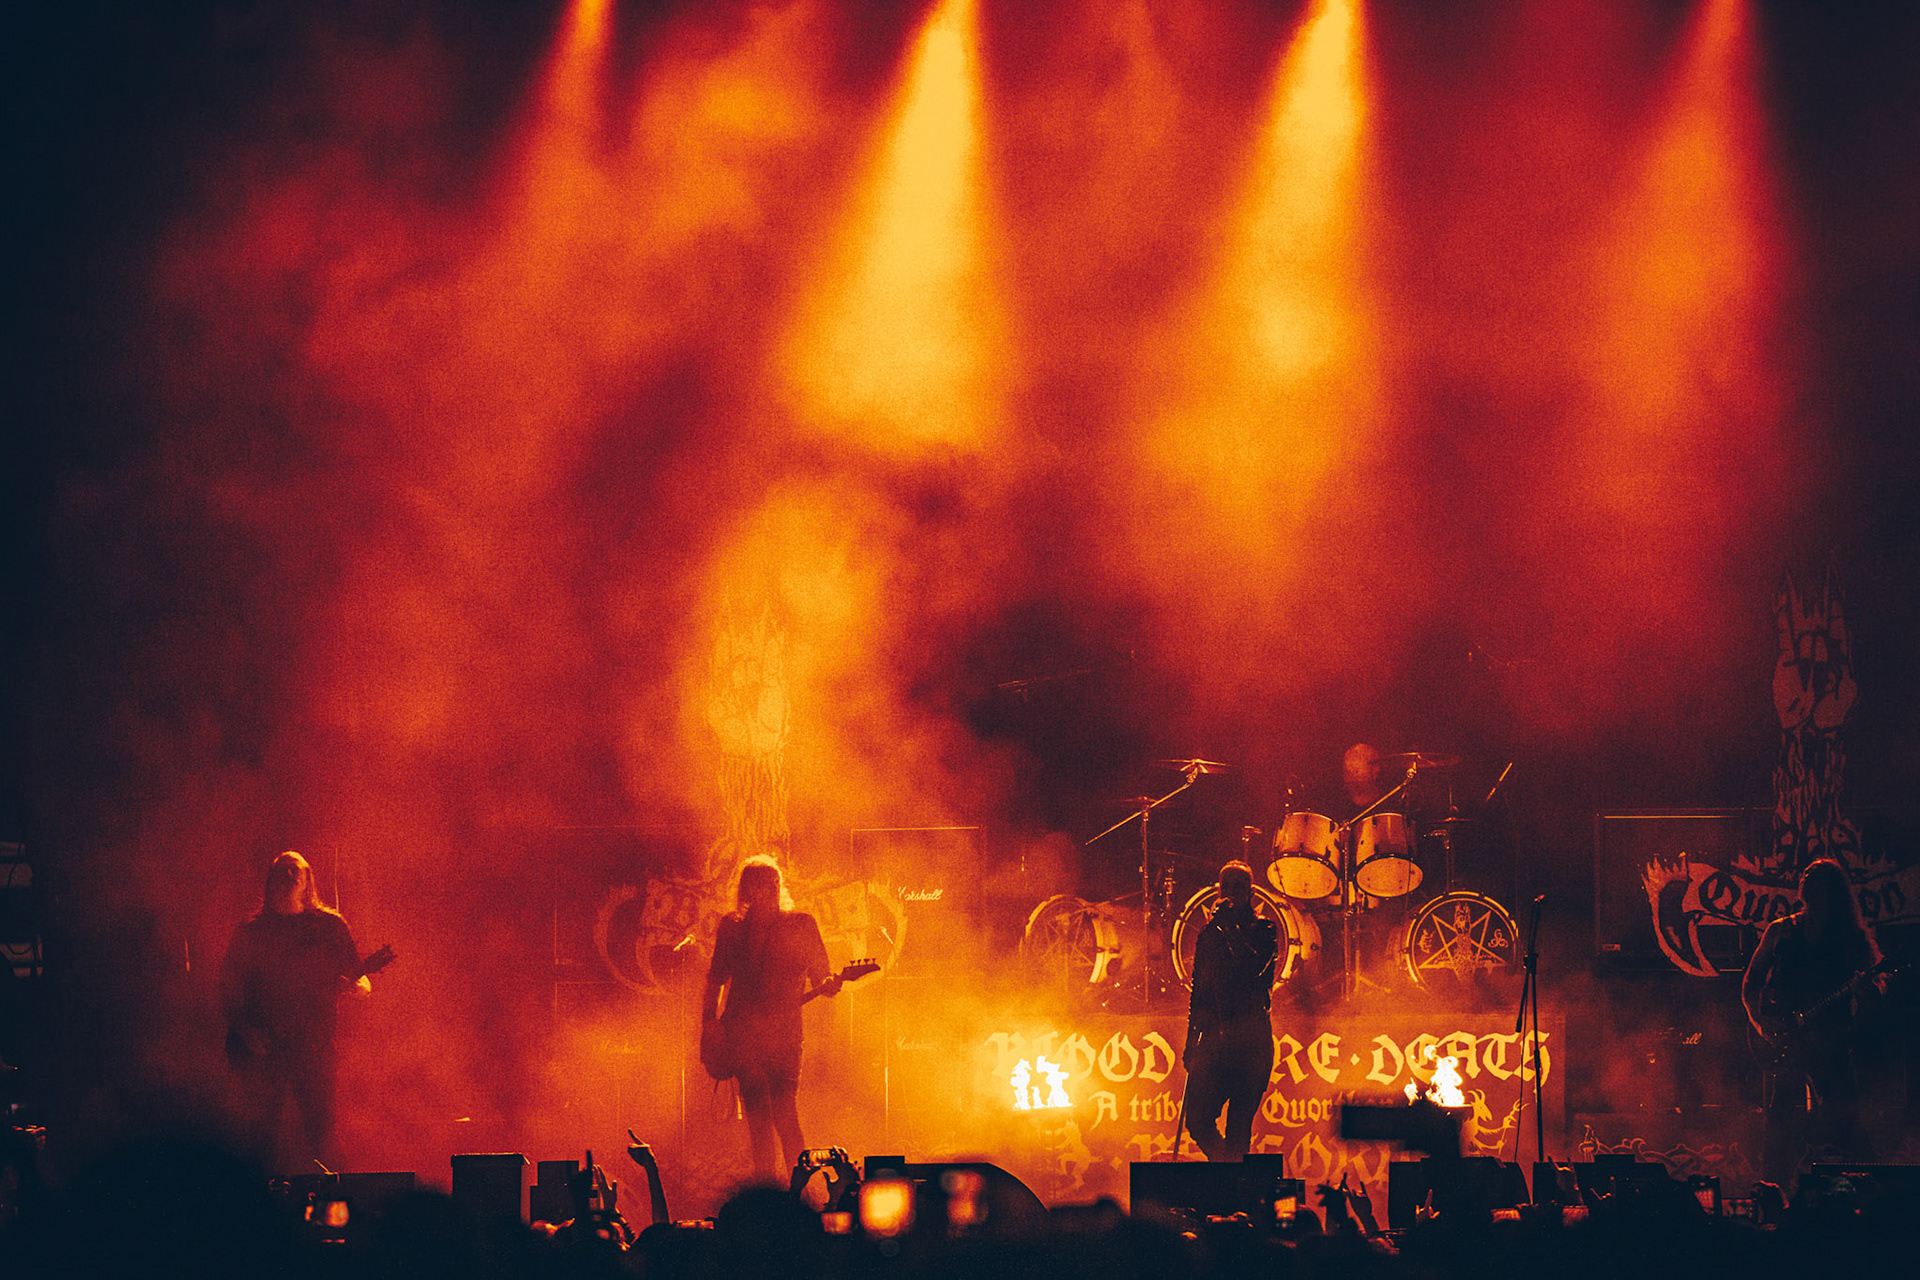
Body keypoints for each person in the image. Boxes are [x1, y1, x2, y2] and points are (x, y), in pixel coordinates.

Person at [221, 851, 369, 1170]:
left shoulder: (329, 927)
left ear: (307, 881)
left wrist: (354, 986)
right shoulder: (251, 931)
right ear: (270, 880)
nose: (289, 876)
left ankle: (338, 1205)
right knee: (261, 1133)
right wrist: (245, 1030)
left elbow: (362, 979)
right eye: (283, 871)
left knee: (322, 1131)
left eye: (296, 870)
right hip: (263, 1049)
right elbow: (227, 988)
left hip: (313, 1046)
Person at [1741, 857, 1884, 1185]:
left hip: (1830, 1043)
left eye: (1817, 878)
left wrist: (1865, 993)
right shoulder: (1780, 930)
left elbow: (1873, 1000)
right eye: (1807, 875)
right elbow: (1751, 983)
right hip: (1785, 1041)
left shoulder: (1849, 939)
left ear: (1832, 892)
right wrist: (1762, 1024)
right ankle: (1772, 1192)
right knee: (1780, 1121)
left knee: (1844, 1117)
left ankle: (1861, 1191)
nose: (1807, 879)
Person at [702, 858, 836, 1179]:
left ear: (779, 887)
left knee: (786, 1115)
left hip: (785, 1038)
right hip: (744, 1037)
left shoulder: (802, 924)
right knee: (759, 1119)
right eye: (761, 885)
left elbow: (822, 977)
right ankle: (769, 1194)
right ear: (748, 890)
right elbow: (716, 979)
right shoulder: (732, 928)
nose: (769, 892)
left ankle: (800, 1192)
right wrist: (709, 1023)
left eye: (774, 885)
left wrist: (830, 984)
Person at [1181, 861, 1278, 1161]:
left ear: (1250, 892)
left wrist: (1228, 928)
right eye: (1227, 887)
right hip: (1215, 1043)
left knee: (1239, 1127)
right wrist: (1190, 1042)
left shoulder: (1264, 930)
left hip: (1251, 1045)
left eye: (1239, 886)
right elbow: (1199, 991)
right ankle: (1229, 1171)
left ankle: (1234, 1182)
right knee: (1197, 1119)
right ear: (1219, 890)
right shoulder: (1209, 936)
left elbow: (1252, 970)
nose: (1232, 893)